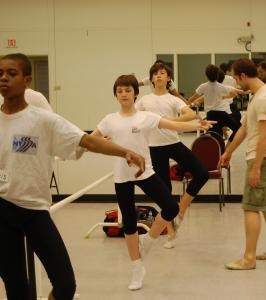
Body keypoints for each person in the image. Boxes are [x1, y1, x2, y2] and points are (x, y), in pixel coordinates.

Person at [0, 53, 146, 300]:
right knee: (16, 288)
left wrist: (126, 152)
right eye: (0, 73)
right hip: (2, 210)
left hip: (34, 210)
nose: (4, 78)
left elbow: (87, 140)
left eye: (11, 73)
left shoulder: (43, 120)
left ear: (27, 80)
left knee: (65, 285)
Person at [92, 73, 214, 290]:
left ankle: (148, 240)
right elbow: (91, 140)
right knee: (128, 222)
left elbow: (173, 126)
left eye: (128, 90)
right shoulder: (109, 120)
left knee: (170, 207)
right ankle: (137, 269)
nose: (124, 94)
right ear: (115, 95)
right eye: (119, 91)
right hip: (122, 176)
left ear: (135, 93)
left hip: (144, 172)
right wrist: (102, 139)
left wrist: (198, 124)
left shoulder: (145, 117)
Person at [136, 62, 210, 250]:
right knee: (165, 193)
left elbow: (190, 114)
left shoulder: (173, 99)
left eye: (163, 73)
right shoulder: (144, 101)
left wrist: (168, 121)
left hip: (174, 143)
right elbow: (132, 118)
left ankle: (182, 208)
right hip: (154, 148)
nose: (159, 76)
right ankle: (171, 234)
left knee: (202, 173)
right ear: (151, 79)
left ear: (168, 78)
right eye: (155, 74)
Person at [221, 58, 266, 270]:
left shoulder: (263, 98)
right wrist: (228, 151)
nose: (237, 84)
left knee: (250, 207)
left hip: (263, 158)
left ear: (243, 76)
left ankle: (249, 258)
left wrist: (256, 168)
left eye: (236, 79)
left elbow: (264, 136)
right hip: (265, 157)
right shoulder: (258, 96)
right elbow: (245, 128)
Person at [188, 64, 241, 142]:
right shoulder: (221, 87)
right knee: (238, 128)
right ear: (217, 75)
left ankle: (218, 152)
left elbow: (191, 99)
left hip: (210, 115)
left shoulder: (203, 86)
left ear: (207, 75)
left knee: (216, 138)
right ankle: (227, 148)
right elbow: (237, 91)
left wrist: (191, 104)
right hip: (222, 114)